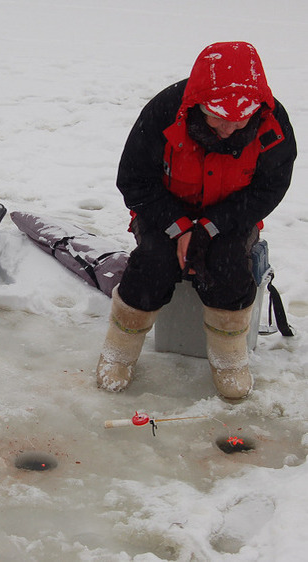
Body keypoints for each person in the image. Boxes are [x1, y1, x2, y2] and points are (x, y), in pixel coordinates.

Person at [96, 42, 296, 399]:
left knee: (228, 263)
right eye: (217, 117)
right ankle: (119, 352)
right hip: (162, 210)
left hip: (233, 217)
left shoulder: (273, 123)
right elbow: (134, 180)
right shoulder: (164, 112)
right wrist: (180, 227)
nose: (228, 129)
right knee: (154, 261)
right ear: (199, 104)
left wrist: (210, 227)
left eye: (239, 120)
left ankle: (229, 359)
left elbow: (269, 189)